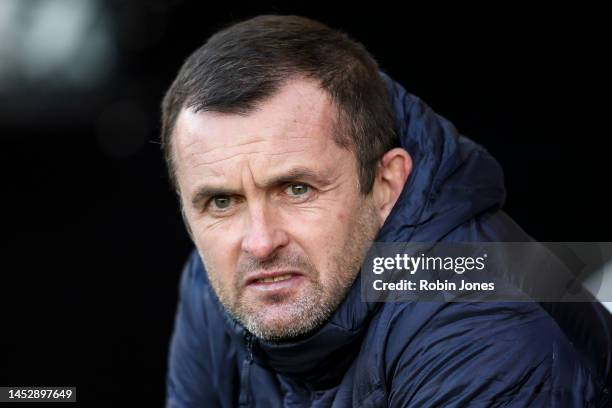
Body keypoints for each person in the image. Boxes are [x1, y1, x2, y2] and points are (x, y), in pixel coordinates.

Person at [161, 15, 612, 407]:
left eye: (297, 189)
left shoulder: (481, 326)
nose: (259, 242)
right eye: (222, 201)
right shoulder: (214, 285)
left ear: (385, 184)